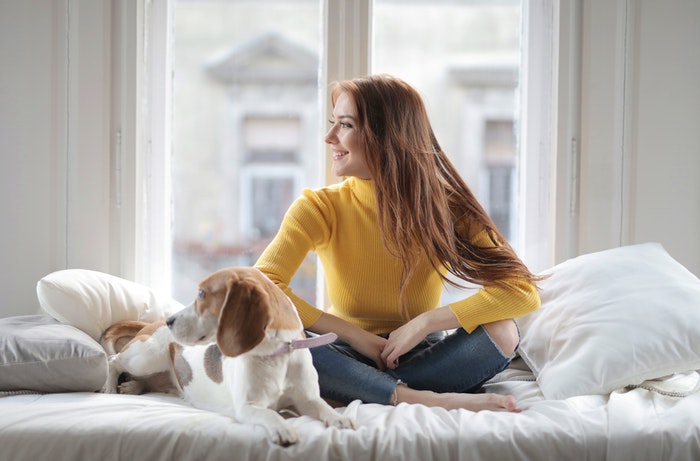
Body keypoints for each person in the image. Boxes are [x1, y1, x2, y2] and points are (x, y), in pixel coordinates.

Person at [255, 74, 542, 412]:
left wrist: (425, 323)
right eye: (333, 123)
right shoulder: (318, 207)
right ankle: (419, 399)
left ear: (386, 135)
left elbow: (521, 291)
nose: (329, 137)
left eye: (344, 125)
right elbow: (262, 285)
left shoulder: (448, 208)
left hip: (425, 355)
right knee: (273, 339)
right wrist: (355, 336)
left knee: (503, 330)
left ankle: (356, 389)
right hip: (343, 351)